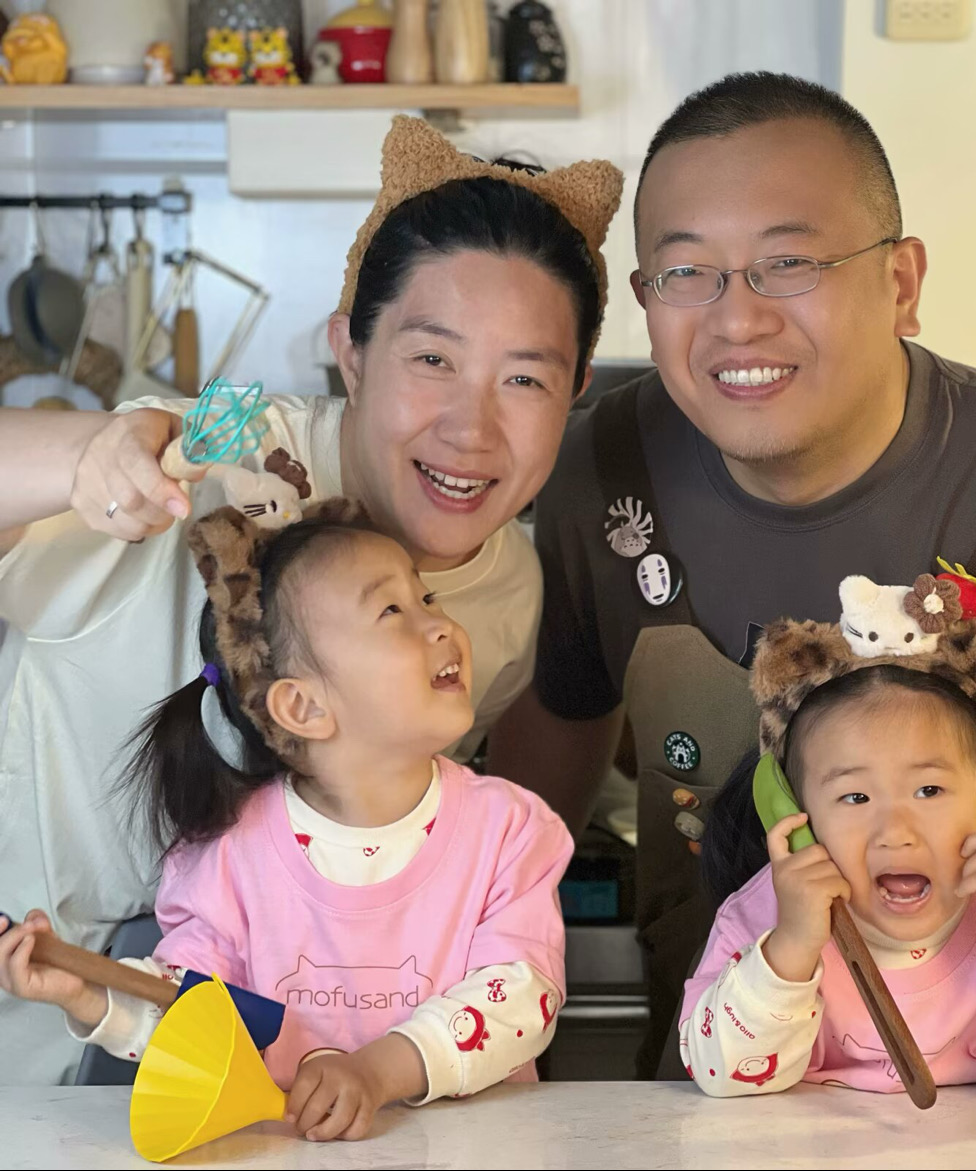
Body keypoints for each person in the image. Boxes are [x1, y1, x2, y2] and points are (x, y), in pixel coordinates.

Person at [488, 71, 976, 1073]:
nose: (737, 320)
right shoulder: (602, 474)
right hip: (731, 1099)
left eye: (789, 262)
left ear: (902, 284)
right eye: (687, 272)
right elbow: (524, 804)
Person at [0, 114, 621, 1083]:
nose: (471, 429)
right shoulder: (207, 462)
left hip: (317, 1072)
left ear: (577, 387)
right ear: (352, 350)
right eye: (433, 359)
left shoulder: (508, 590)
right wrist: (92, 454)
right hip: (59, 1020)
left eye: (525, 378)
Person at [0, 500, 573, 1140]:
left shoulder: (510, 831)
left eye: (428, 599)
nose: (440, 625)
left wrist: (378, 1072)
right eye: (392, 611)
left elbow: (522, 996)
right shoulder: (229, 853)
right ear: (302, 706)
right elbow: (195, 1012)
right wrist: (85, 992)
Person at [683, 592, 976, 1113]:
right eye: (855, 797)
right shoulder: (762, 914)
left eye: (928, 791)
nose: (895, 832)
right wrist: (791, 946)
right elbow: (723, 1077)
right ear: (794, 814)